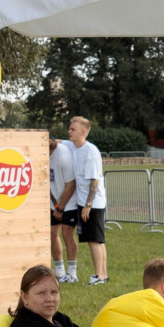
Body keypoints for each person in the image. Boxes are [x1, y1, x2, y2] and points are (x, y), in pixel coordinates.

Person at [64, 116, 108, 285]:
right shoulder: (73, 146)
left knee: (94, 240)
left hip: (93, 203)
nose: (69, 131)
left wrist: (87, 205)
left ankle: (99, 276)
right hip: (85, 202)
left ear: (83, 132)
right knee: (98, 239)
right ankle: (103, 274)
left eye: (73, 129)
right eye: (69, 129)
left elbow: (94, 181)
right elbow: (60, 142)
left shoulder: (90, 151)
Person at [49, 121, 80, 282]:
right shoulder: (40, 153)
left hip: (69, 200)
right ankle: (60, 271)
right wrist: (54, 205)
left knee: (67, 233)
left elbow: (70, 185)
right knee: (52, 234)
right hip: (53, 201)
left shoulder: (62, 155)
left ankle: (72, 272)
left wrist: (60, 208)